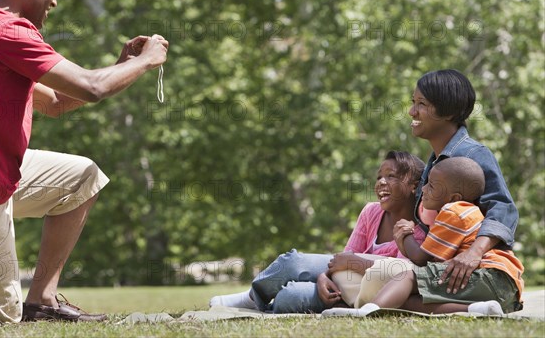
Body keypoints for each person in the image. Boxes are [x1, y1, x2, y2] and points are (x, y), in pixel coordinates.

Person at [0, 0, 168, 323]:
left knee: (81, 178)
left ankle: (43, 300)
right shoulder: (6, 32)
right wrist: (147, 61)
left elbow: (58, 102)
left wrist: (121, 67)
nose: (55, 0)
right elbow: (92, 88)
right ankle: (20, 305)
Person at [210, 151, 426, 313]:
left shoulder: (415, 232)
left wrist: (350, 269)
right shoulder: (371, 212)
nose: (381, 182)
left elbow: (396, 275)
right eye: (379, 176)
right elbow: (342, 257)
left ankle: (270, 305)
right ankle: (251, 297)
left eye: (391, 176)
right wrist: (324, 276)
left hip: (361, 292)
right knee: (292, 262)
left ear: (414, 186)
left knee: (289, 297)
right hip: (342, 277)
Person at [330, 157, 523, 317]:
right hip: (506, 290)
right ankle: (478, 310)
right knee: (406, 301)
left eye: (432, 185)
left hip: (489, 275)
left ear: (454, 197)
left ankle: (369, 312)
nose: (424, 190)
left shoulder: (453, 211)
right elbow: (435, 261)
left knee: (408, 277)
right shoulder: (468, 212)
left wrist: (405, 235)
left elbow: (422, 259)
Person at [408, 69, 518, 295]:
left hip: (477, 271)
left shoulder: (474, 155)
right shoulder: (434, 162)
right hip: (438, 266)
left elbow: (503, 208)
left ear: (448, 112)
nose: (412, 111)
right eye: (413, 102)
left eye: (421, 103)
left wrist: (473, 253)